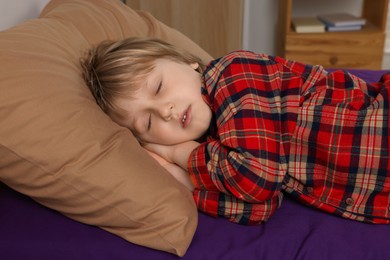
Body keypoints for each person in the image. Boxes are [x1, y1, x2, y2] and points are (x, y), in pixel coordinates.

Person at [81, 37, 390, 225]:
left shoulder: (233, 73)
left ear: (188, 62)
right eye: (148, 123)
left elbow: (257, 179)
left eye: (159, 86)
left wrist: (177, 153)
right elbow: (260, 208)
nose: (165, 111)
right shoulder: (220, 155)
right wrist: (185, 182)